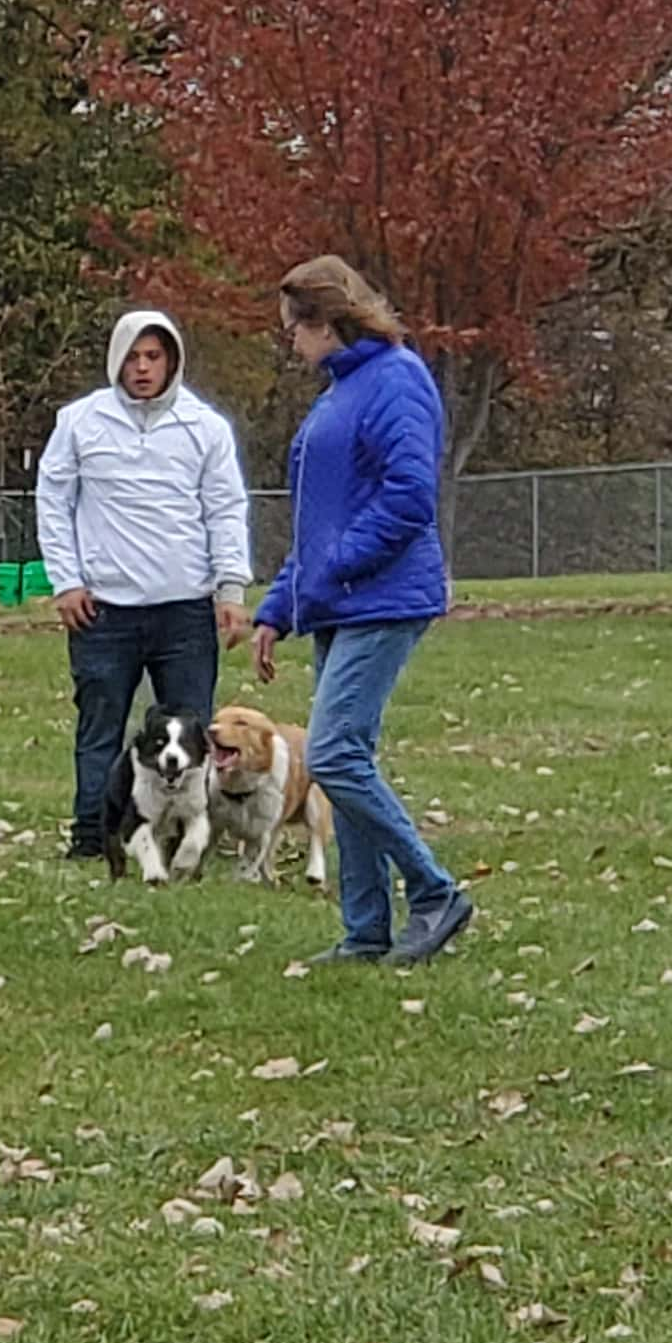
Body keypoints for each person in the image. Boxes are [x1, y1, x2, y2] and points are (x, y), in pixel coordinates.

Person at [249, 257, 468, 966]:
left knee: (335, 754)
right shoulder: (337, 395)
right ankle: (366, 929)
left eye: (293, 329)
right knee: (350, 760)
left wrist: (338, 566)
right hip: (337, 603)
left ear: (325, 320)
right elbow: (319, 522)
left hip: (383, 597)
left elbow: (408, 496)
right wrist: (278, 608)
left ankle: (434, 891)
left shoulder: (397, 380)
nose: (290, 344)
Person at [38, 306, 254, 860]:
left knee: (191, 730)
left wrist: (231, 590)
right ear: (116, 360)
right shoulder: (80, 422)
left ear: (172, 360)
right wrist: (66, 581)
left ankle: (190, 835)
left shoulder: (205, 428)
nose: (142, 368)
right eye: (132, 357)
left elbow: (226, 508)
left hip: (184, 610)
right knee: (100, 727)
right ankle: (93, 835)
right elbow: (54, 503)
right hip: (103, 610)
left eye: (153, 357)